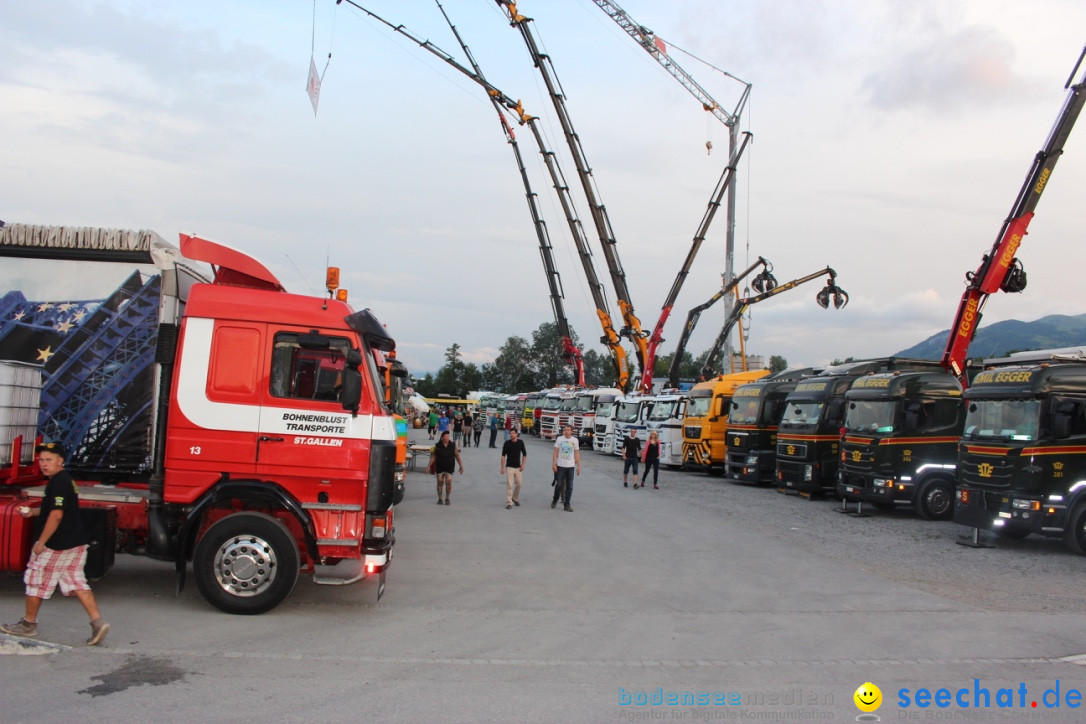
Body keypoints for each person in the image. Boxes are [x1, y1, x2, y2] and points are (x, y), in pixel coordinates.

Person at [1, 442, 109, 645]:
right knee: (77, 582)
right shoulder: (63, 480)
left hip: (57, 543)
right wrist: (32, 512)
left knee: (35, 579)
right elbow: (55, 508)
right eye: (41, 460)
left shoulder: (59, 482)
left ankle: (28, 624)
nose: (43, 464)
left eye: (48, 460)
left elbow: (57, 514)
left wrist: (41, 542)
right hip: (76, 542)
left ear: (60, 461)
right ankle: (98, 622)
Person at [551, 424, 580, 512]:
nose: (566, 431)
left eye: (568, 430)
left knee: (570, 486)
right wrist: (554, 464)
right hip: (560, 465)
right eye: (565, 430)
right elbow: (555, 452)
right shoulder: (560, 439)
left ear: (571, 431)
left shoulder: (574, 440)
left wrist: (579, 466)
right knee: (559, 484)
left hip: (570, 466)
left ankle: (567, 504)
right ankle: (555, 499)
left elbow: (577, 453)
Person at [432, 431, 464, 505]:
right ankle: (440, 498)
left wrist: (461, 466)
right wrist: (429, 466)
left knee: (448, 482)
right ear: (442, 437)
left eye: (449, 436)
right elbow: (434, 456)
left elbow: (457, 456)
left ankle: (447, 498)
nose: (448, 438)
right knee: (440, 482)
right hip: (440, 466)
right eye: (446, 436)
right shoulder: (438, 445)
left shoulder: (452, 445)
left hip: (449, 466)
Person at [500, 428, 527, 509]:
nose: (511, 434)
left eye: (513, 433)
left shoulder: (520, 442)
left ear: (516, 434)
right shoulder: (507, 443)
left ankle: (514, 498)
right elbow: (503, 456)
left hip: (518, 467)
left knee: (519, 484)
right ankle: (509, 502)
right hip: (509, 467)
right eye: (510, 433)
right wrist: (502, 467)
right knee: (510, 485)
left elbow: (524, 454)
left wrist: (523, 465)